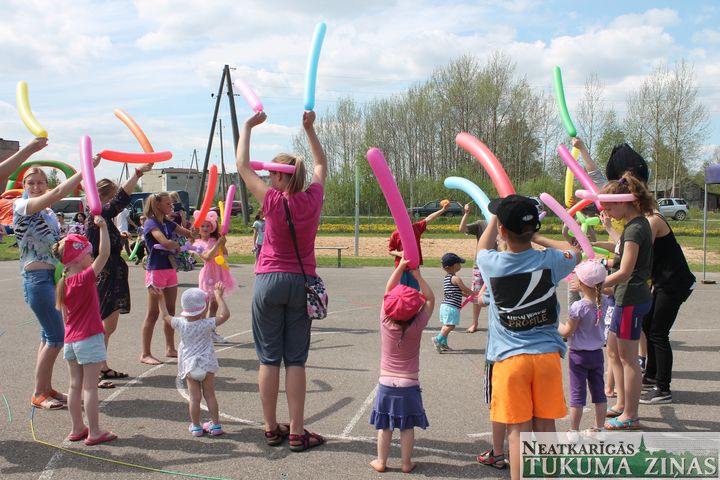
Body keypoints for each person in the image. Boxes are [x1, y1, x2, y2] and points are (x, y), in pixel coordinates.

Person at [236, 109, 327, 451]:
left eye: (272, 174)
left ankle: (271, 427)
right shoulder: (313, 198)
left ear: (278, 177)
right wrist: (310, 130)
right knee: (296, 360)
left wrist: (248, 126)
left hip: (269, 280)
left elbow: (242, 164)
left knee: (269, 358)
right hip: (301, 281)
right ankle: (297, 431)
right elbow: (321, 164)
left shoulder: (271, 200)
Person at [476, 195, 580, 480]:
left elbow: (482, 247)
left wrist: (496, 214)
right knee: (546, 428)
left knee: (517, 432)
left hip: (510, 361)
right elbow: (575, 251)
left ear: (502, 230)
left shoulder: (492, 263)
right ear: (533, 228)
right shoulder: (551, 261)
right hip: (546, 357)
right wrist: (538, 237)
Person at [14, 146, 98, 411]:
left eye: (40, 182)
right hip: (36, 279)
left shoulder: (49, 214)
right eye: (31, 183)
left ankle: (45, 387)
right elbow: (59, 192)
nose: (36, 187)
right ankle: (39, 393)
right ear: (24, 186)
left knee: (47, 335)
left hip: (51, 277)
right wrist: (85, 170)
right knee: (56, 337)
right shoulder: (22, 206)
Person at [593, 173, 654, 430]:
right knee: (617, 352)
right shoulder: (632, 226)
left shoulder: (636, 228)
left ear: (622, 202)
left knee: (629, 359)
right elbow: (620, 257)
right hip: (624, 297)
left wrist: (597, 284)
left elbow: (625, 271)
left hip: (631, 298)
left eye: (608, 207)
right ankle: (622, 404)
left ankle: (631, 414)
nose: (606, 212)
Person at [52, 217, 117, 445]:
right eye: (88, 254)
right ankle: (95, 431)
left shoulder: (63, 282)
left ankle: (77, 428)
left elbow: (65, 318)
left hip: (71, 341)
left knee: (74, 386)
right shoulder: (84, 278)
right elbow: (105, 254)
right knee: (90, 387)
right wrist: (103, 228)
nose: (91, 257)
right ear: (78, 258)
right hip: (89, 337)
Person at [86, 165, 153, 386]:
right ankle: (94, 370)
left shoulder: (101, 218)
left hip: (112, 274)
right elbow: (121, 199)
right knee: (104, 326)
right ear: (104, 197)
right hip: (106, 276)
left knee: (108, 325)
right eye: (111, 196)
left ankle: (102, 366)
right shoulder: (98, 214)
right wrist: (137, 174)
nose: (114, 201)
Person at [369, 257, 435, 474]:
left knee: (385, 426)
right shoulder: (417, 324)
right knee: (407, 427)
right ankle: (406, 463)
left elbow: (388, 290)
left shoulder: (385, 320)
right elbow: (430, 298)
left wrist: (399, 267)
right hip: (409, 383)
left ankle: (381, 461)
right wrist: (418, 276)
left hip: (386, 382)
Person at [154, 283, 230, 437]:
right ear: (204, 308)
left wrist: (161, 299)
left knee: (194, 399)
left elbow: (165, 316)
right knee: (210, 395)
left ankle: (196, 427)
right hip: (207, 364)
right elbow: (225, 315)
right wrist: (219, 297)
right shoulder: (207, 323)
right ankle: (216, 425)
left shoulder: (180, 323)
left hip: (190, 366)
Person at [640, 208, 696, 405]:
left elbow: (637, 253)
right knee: (648, 325)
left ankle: (663, 389)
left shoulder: (653, 221)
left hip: (673, 283)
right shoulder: (643, 221)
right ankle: (651, 375)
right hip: (663, 282)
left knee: (658, 332)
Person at [140, 192, 196, 365]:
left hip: (170, 269)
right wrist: (177, 246)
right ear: (157, 205)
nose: (172, 206)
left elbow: (188, 233)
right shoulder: (151, 223)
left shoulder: (168, 222)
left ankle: (170, 348)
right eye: (168, 204)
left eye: (171, 204)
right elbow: (164, 241)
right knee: (153, 313)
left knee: (170, 311)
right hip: (156, 270)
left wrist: (194, 232)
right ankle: (145, 353)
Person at [558, 260, 611, 435]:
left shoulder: (578, 307)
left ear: (581, 283)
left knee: (577, 395)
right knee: (599, 393)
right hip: (597, 354)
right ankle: (600, 428)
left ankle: (574, 430)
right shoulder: (603, 301)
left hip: (578, 356)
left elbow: (567, 331)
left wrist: (555, 323)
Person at [388, 203, 449, 290]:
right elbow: (390, 250)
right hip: (401, 268)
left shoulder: (416, 228)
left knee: (414, 292)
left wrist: (443, 210)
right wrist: (399, 253)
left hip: (414, 268)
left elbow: (429, 218)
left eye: (408, 215)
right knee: (401, 292)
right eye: (405, 215)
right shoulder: (395, 233)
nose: (408, 217)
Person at [191, 210, 237, 316]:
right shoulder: (197, 244)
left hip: (219, 272)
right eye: (202, 226)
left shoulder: (214, 240)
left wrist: (222, 245)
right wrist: (217, 244)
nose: (205, 228)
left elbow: (225, 254)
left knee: (215, 303)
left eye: (208, 226)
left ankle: (211, 324)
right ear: (198, 229)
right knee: (205, 303)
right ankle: (202, 323)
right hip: (208, 274)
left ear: (212, 228)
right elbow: (207, 257)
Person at [432, 253, 473, 352]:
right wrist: (474, 293)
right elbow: (465, 289)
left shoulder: (447, 278)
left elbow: (455, 291)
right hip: (451, 307)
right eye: (459, 263)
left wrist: (465, 295)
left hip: (445, 306)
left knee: (446, 325)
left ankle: (443, 344)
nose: (460, 265)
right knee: (451, 325)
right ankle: (438, 339)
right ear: (454, 265)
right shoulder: (456, 278)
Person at [458, 204, 487, 333]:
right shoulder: (481, 224)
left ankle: (500, 323)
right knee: (476, 294)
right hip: (480, 265)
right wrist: (466, 213)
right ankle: (474, 323)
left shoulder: (504, 223)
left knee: (499, 295)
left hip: (498, 265)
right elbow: (462, 229)